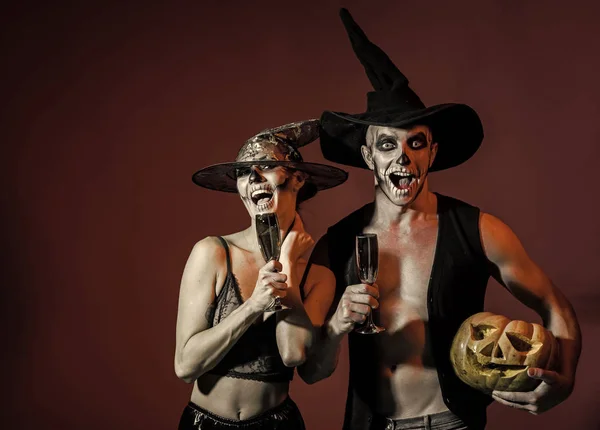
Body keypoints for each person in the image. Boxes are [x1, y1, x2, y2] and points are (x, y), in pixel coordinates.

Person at [298, 9, 582, 430]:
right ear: (368, 157)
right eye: (387, 144)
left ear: (432, 153)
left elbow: (554, 305)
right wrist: (337, 324)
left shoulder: (479, 230)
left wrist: (565, 381)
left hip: (454, 423)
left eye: (416, 142)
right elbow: (312, 370)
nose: (403, 156)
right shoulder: (336, 245)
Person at [174, 119, 347, 429]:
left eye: (265, 166)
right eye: (242, 172)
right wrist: (254, 305)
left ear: (297, 179)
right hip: (204, 424)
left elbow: (294, 355)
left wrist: (288, 261)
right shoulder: (213, 253)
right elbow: (186, 366)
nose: (252, 178)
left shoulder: (318, 277)